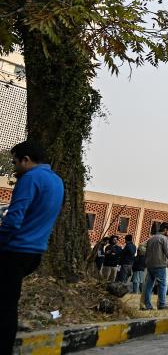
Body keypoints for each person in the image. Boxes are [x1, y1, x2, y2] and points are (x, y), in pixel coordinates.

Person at [0, 140, 64, 355]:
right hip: (34, 252)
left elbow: (14, 218)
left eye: (15, 162)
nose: (14, 166)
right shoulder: (57, 182)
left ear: (26, 160)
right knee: (8, 302)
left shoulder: (29, 179)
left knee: (5, 306)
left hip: (14, 250)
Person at [142, 222, 168, 310]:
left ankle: (148, 305)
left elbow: (144, 249)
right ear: (165, 229)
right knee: (162, 285)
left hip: (150, 265)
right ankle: (162, 305)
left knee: (149, 286)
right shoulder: (163, 239)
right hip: (160, 265)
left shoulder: (151, 238)